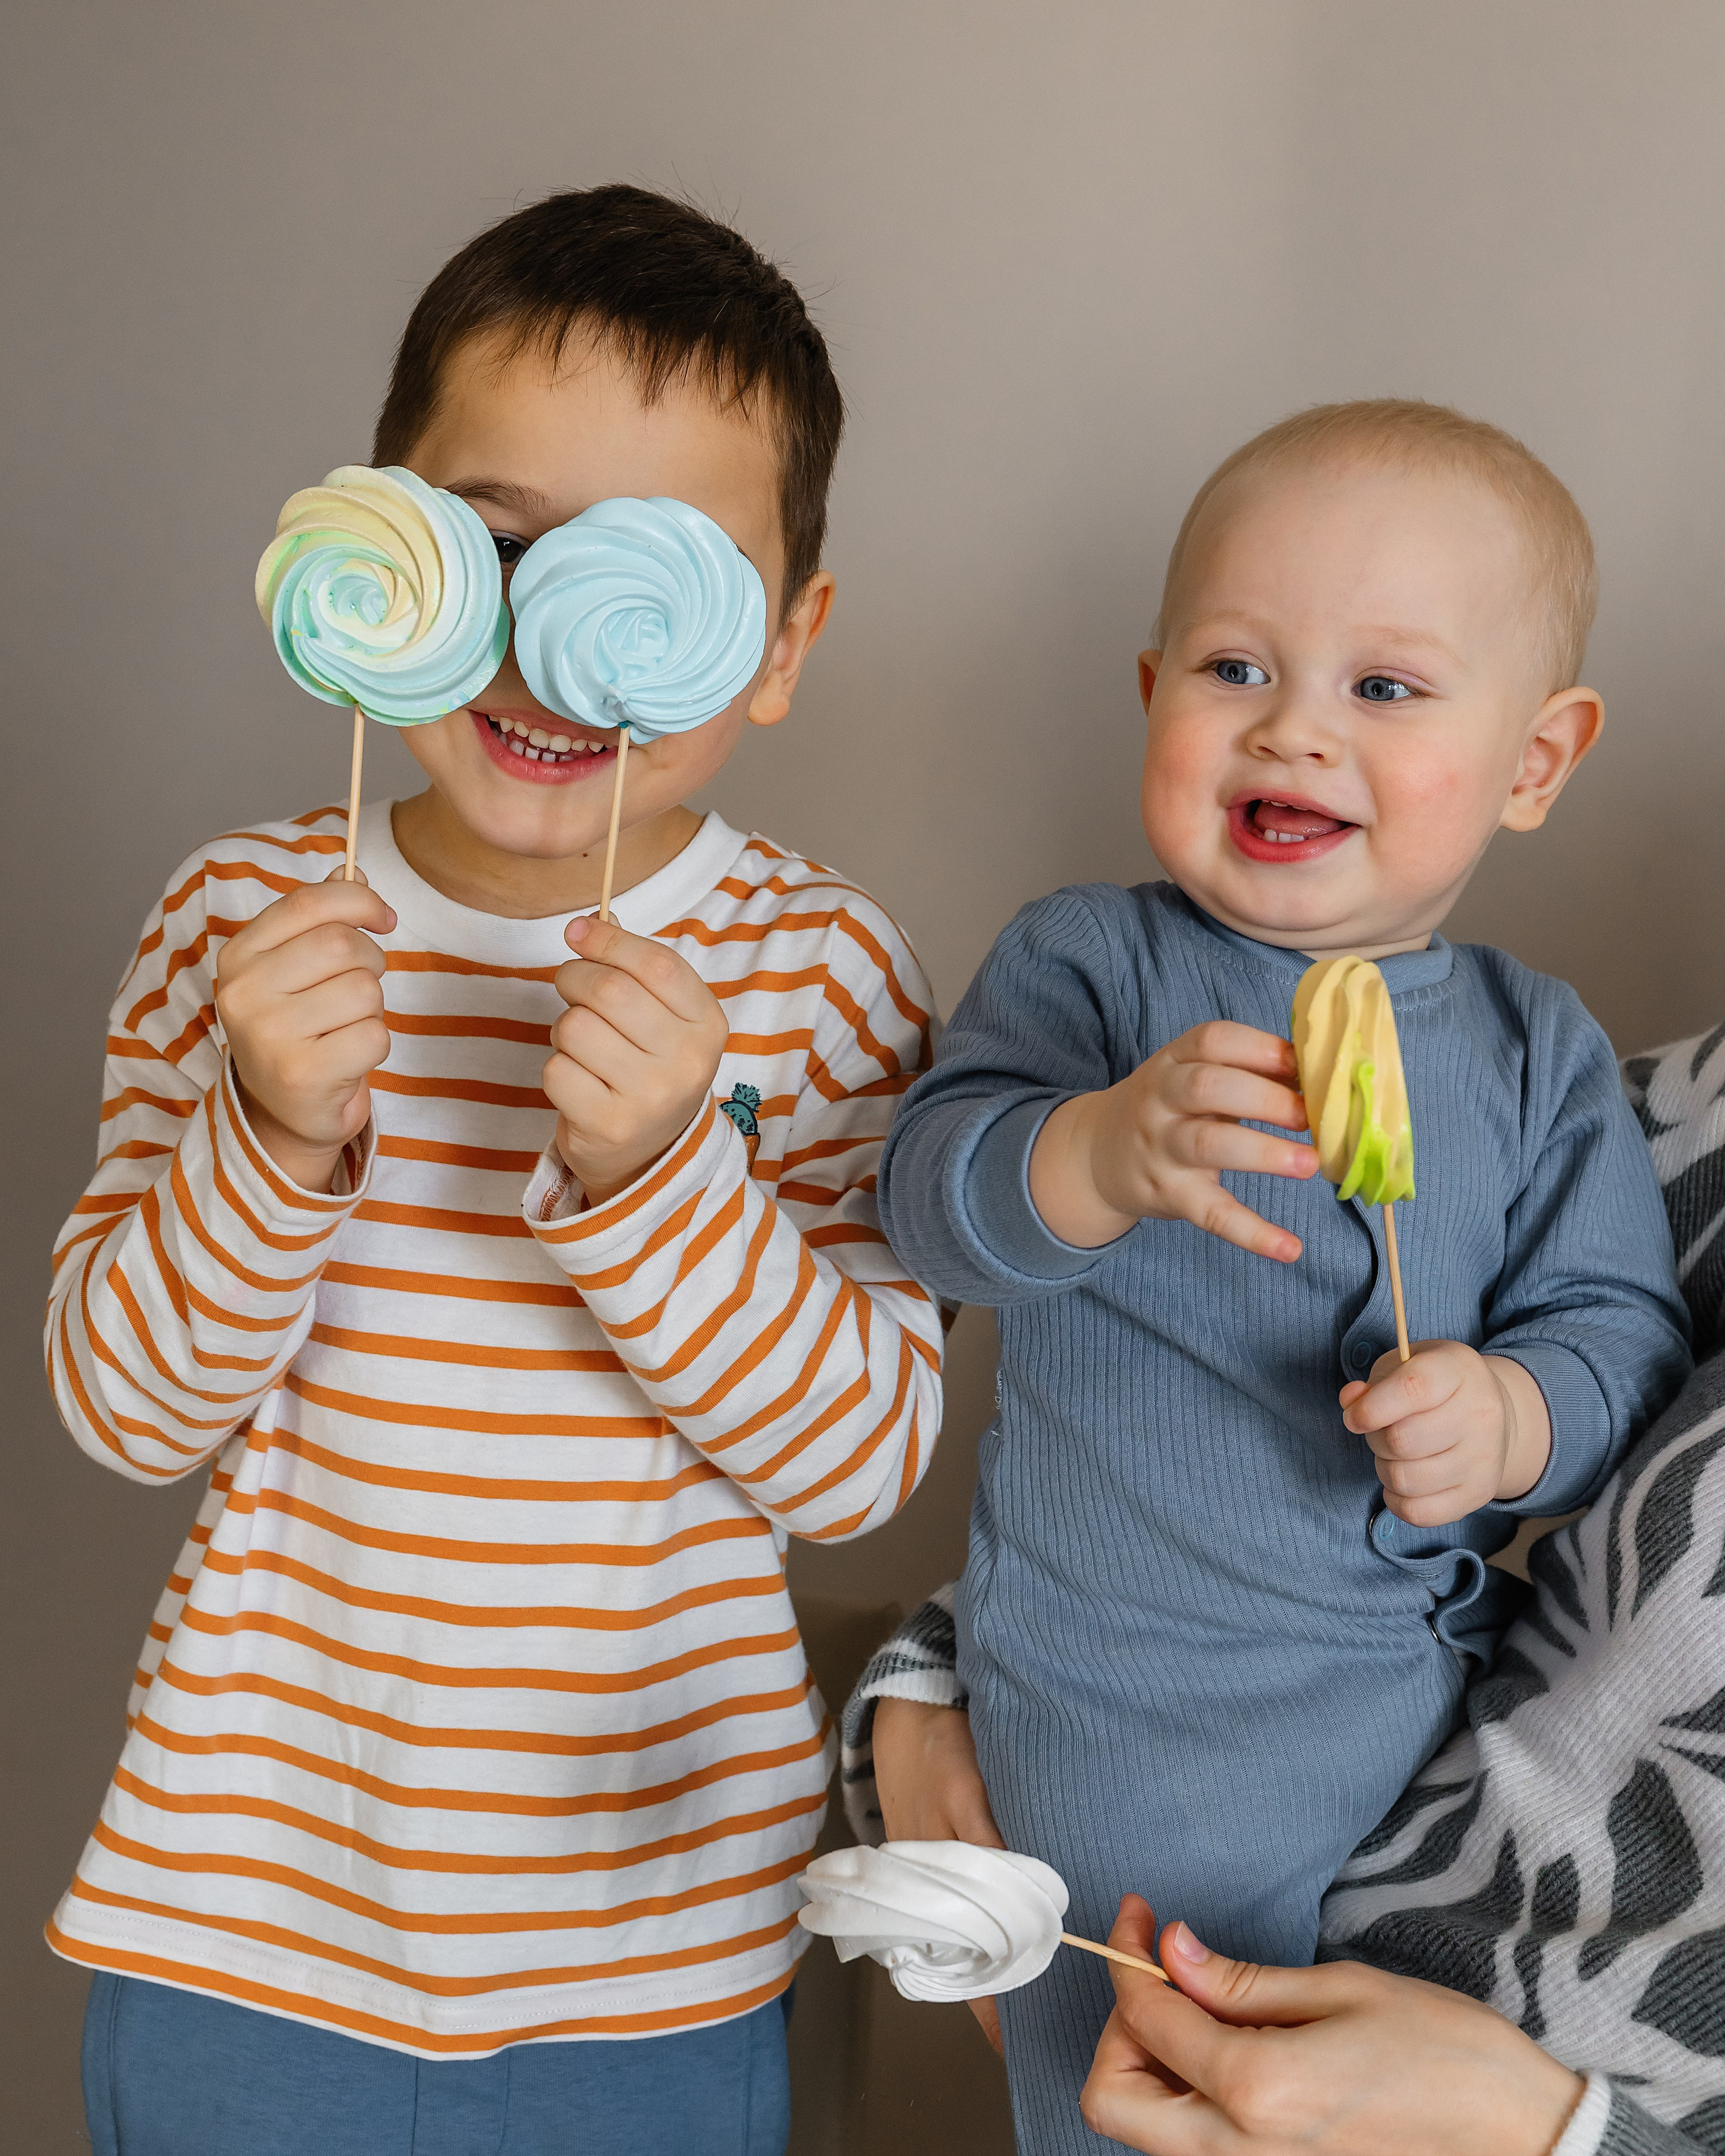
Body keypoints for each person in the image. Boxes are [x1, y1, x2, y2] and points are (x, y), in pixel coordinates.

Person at [46, 185, 945, 2156]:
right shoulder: (234, 919)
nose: (560, 644)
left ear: (781, 644)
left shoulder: (822, 967)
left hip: (650, 1946)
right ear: (379, 548)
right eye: (505, 548)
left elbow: (858, 1463)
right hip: (240, 1916)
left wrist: (660, 1182)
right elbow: (124, 1410)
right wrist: (269, 1135)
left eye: (658, 576)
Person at [852, 400, 1693, 2151]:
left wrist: (1511, 1413)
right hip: (1115, 1685)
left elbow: (1622, 1334)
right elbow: (924, 1205)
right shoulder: (1092, 965)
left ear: (1537, 761)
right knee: (1137, 2074)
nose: (1294, 728)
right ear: (1152, 690)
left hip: (1423, 1703)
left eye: (1385, 688)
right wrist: (1093, 1155)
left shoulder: (1539, 1053)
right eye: (1235, 668)